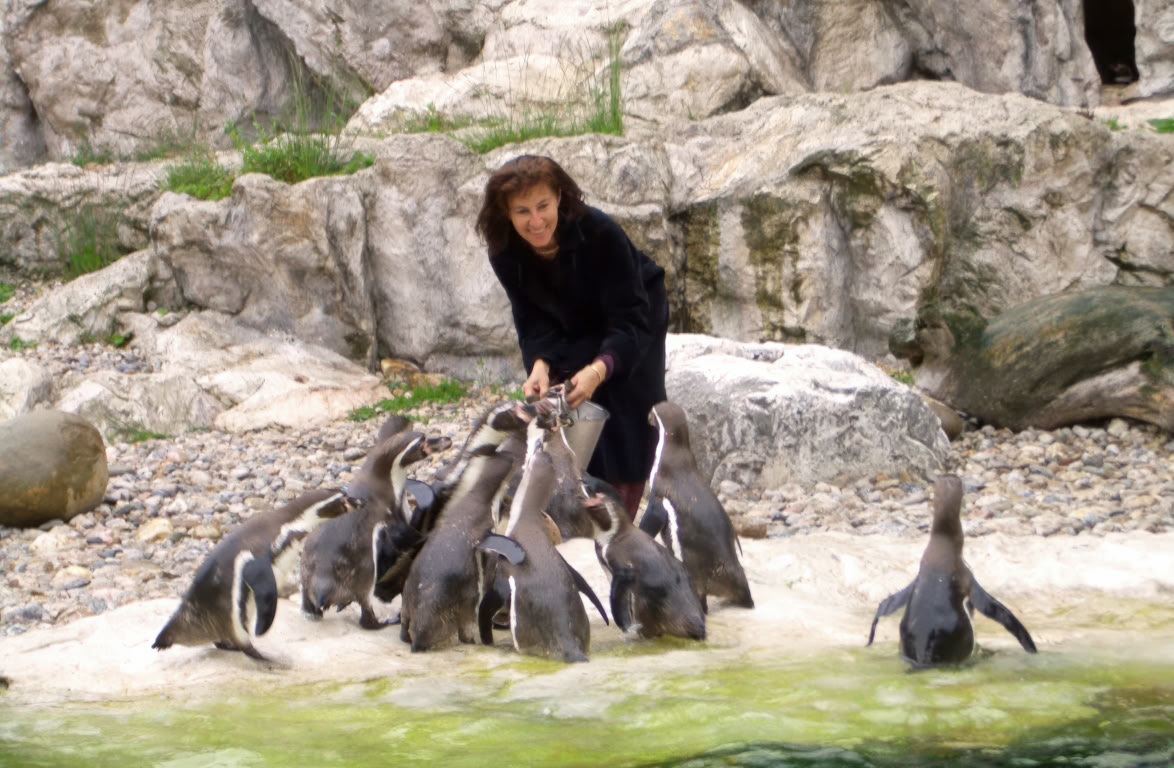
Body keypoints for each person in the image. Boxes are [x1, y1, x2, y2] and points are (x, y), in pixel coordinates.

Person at [477, 154, 668, 520]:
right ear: (505, 213)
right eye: (522, 212)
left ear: (560, 197)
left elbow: (630, 317)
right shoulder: (505, 251)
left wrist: (599, 369)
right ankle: (575, 503)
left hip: (635, 309)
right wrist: (539, 364)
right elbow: (530, 315)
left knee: (627, 406)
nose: (535, 222)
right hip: (571, 319)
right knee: (570, 403)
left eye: (542, 206)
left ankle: (619, 519)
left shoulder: (599, 233)